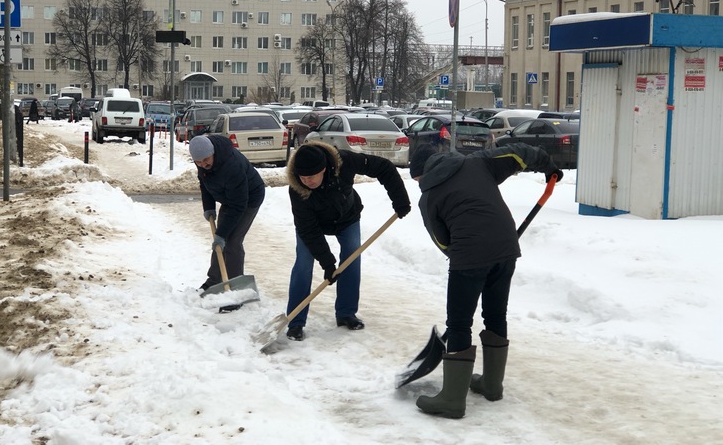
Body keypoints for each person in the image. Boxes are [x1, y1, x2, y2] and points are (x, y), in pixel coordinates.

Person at [409, 142, 563, 419]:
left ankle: (452, 400)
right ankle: (492, 385)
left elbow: (442, 240)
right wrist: (548, 166)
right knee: (495, 314)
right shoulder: (477, 162)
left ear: (420, 172)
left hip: (468, 256)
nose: (419, 183)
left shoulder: (428, 197)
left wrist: (463, 256)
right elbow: (519, 153)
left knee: (459, 323)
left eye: (417, 177)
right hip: (505, 248)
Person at [284, 141, 411, 341]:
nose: (307, 181)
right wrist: (327, 262)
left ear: (324, 169)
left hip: (346, 217)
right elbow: (308, 231)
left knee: (352, 257)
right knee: (303, 264)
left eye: (311, 176)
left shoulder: (344, 161)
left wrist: (400, 199)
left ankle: (346, 313)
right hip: (313, 224)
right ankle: (295, 321)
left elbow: (383, 167)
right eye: (303, 177)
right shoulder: (297, 190)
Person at [189, 134, 265, 290]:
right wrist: (208, 207)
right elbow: (205, 184)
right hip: (229, 197)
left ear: (213, 153)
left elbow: (238, 205)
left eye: (206, 160)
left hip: (248, 199)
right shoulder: (203, 160)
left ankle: (236, 287)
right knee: (220, 243)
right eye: (199, 162)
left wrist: (222, 234)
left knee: (231, 241)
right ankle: (215, 281)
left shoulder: (231, 166)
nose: (203, 164)